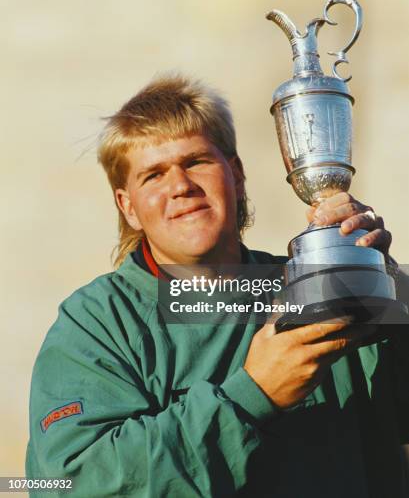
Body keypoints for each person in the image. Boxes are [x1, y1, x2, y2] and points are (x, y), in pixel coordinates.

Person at [26, 75, 408, 497]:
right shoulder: (97, 323)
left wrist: (383, 283)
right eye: (153, 175)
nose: (180, 186)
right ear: (128, 206)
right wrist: (252, 395)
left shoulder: (320, 286)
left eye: (196, 162)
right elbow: (72, 484)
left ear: (237, 175)